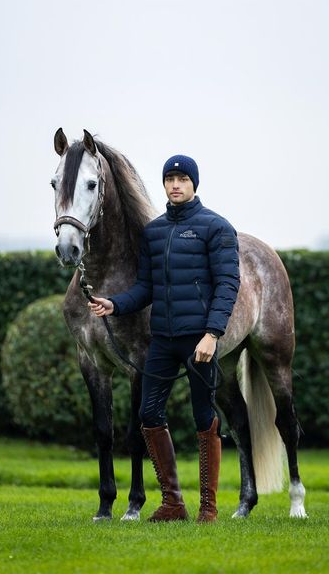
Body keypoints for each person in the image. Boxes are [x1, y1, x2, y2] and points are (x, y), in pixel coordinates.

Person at [89, 154, 240, 523]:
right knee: (148, 413)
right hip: (163, 339)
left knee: (204, 417)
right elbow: (145, 288)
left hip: (199, 340)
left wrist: (212, 334)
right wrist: (115, 304)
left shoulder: (216, 228)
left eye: (182, 179)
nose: (175, 185)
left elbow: (227, 285)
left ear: (194, 184)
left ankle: (208, 507)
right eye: (170, 178)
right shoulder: (154, 233)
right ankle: (173, 502)